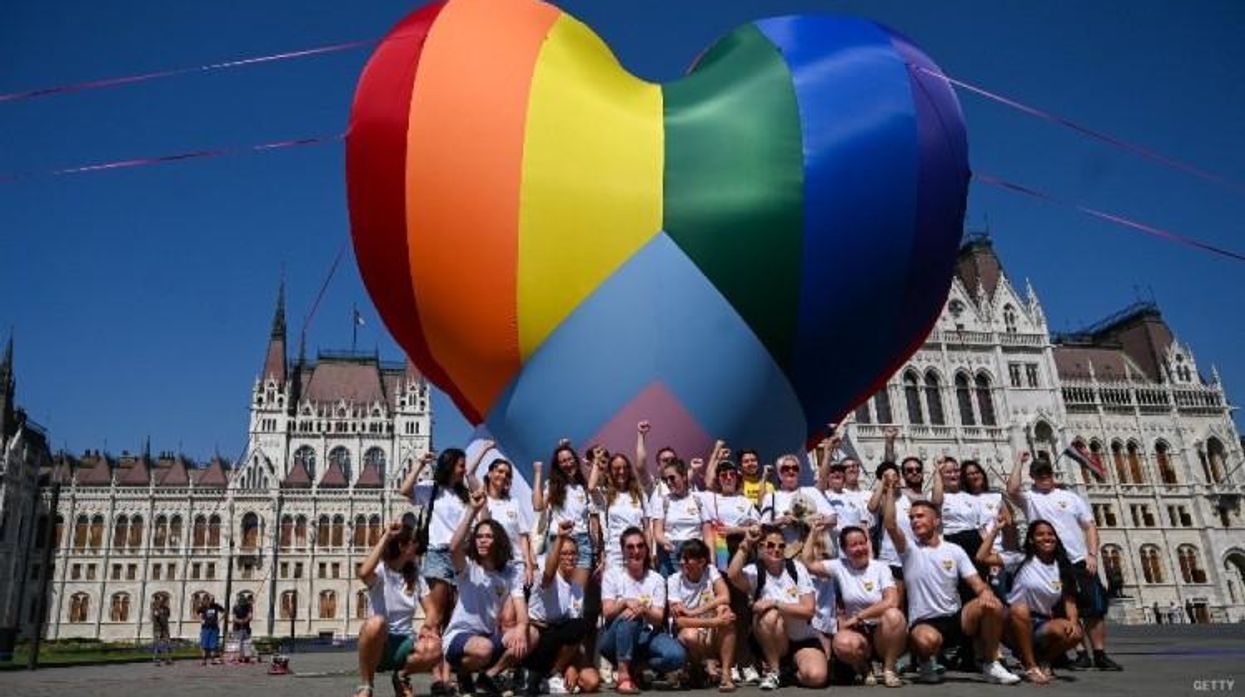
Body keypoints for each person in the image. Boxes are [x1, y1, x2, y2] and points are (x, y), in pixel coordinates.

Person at [881, 476, 1020, 685]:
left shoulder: (954, 550)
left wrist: (985, 594)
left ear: (936, 521)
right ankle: (926, 661)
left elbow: (976, 583)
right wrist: (890, 490)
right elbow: (890, 524)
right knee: (928, 641)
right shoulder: (909, 549)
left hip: (956, 618)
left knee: (993, 605)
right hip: (925, 622)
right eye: (912, 518)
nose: (915, 521)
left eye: (920, 516)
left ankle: (991, 663)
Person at [1006, 452, 1122, 671]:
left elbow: (1089, 527)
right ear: (1032, 476)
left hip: (1079, 560)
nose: (1044, 476)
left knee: (1093, 609)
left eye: (1047, 472)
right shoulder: (1030, 498)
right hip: (1051, 563)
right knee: (1062, 608)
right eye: (1039, 473)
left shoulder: (1071, 497)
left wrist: (1092, 554)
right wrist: (1017, 463)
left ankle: (1099, 654)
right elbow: (1011, 490)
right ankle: (1079, 654)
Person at [443, 490, 531, 697]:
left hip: (487, 637)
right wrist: (473, 511)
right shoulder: (468, 568)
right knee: (484, 649)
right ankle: (463, 673)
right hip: (459, 638)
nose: (482, 540)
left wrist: (521, 629)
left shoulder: (510, 573)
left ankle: (488, 676)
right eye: (479, 537)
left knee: (530, 635)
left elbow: (522, 613)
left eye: (488, 537)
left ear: (498, 541)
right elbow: (454, 547)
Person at [977, 514, 1083, 685]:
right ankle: (1030, 665)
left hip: (1041, 622)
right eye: (1040, 535)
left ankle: (1043, 659)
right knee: (1020, 609)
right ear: (1032, 540)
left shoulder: (1062, 566)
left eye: (1050, 534)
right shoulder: (1020, 558)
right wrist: (995, 530)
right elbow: (982, 557)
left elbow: (1069, 601)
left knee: (1075, 633)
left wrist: (1073, 621)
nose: (1046, 538)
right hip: (1012, 620)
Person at [400, 449, 470, 695]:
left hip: (460, 557)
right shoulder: (431, 488)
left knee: (452, 619)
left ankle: (447, 677)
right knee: (436, 618)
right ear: (451, 465)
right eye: (461, 465)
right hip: (437, 554)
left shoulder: (464, 494)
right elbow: (405, 491)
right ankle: (435, 676)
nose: (464, 469)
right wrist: (419, 464)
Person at [804, 521, 906, 687]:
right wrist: (813, 533)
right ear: (844, 550)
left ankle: (889, 669)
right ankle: (865, 669)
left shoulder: (881, 567)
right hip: (858, 633)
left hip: (882, 630)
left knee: (894, 615)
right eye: (853, 545)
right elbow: (808, 563)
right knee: (842, 643)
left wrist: (859, 616)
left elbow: (891, 600)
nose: (859, 548)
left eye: (862, 543)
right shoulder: (839, 566)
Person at [727, 524, 826, 690]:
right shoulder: (756, 571)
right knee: (770, 616)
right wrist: (746, 544)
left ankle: (787, 673)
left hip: (802, 639)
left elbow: (808, 610)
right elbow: (733, 575)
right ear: (761, 547)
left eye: (781, 546)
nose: (776, 550)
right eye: (770, 545)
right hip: (773, 639)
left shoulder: (796, 568)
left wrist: (776, 603)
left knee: (816, 678)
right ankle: (774, 670)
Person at [356, 522, 440, 697]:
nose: (417, 546)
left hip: (404, 642)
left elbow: (431, 610)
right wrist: (386, 536)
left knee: (436, 647)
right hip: (379, 645)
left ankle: (402, 677)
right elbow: (363, 573)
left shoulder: (415, 575)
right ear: (402, 547)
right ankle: (366, 685)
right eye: (413, 542)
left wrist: (427, 627)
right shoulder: (381, 571)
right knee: (376, 623)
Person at [599, 527, 687, 694]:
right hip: (615, 637)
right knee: (629, 616)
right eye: (630, 547)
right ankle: (623, 676)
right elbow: (607, 612)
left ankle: (638, 667)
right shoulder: (612, 575)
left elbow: (658, 618)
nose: (636, 551)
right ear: (623, 550)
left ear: (646, 550)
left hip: (648, 635)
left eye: (640, 546)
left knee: (677, 656)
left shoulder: (656, 579)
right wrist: (625, 602)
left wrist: (644, 609)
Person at [700, 459, 763, 686]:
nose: (727, 478)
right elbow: (708, 528)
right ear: (718, 478)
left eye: (731, 474)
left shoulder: (744, 501)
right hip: (718, 552)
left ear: (737, 477)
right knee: (725, 609)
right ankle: (732, 663)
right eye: (723, 474)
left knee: (742, 610)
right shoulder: (709, 498)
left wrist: (734, 529)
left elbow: (757, 528)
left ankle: (745, 661)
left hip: (740, 551)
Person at [525, 522, 600, 696]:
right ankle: (546, 675)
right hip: (538, 638)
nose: (569, 557)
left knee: (591, 681)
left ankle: (553, 674)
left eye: (573, 553)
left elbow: (573, 633)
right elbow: (549, 573)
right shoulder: (547, 578)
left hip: (559, 642)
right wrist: (560, 538)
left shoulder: (577, 589)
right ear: (557, 557)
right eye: (564, 554)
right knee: (576, 626)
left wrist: (572, 666)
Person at [668, 539, 738, 692]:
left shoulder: (710, 571)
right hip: (689, 634)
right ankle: (698, 667)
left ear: (701, 562)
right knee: (691, 635)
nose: (682, 562)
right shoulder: (674, 580)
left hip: (708, 631)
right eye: (681, 558)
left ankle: (726, 674)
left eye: (687, 559)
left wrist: (693, 611)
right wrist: (715, 622)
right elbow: (680, 621)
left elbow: (725, 596)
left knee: (726, 611)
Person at [534, 443, 600, 589]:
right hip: (559, 540)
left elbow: (592, 487)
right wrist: (538, 473)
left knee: (577, 594)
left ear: (576, 461)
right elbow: (538, 506)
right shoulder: (552, 485)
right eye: (563, 461)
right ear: (558, 466)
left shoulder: (583, 487)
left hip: (582, 542)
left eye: (570, 459)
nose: (568, 464)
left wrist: (596, 460)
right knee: (555, 590)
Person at [760, 454, 835, 552]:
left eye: (795, 468)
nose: (791, 471)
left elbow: (833, 519)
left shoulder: (812, 491)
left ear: (799, 473)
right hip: (787, 553)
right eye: (785, 468)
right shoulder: (771, 497)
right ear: (779, 474)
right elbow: (763, 526)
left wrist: (809, 522)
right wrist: (781, 521)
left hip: (816, 551)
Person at [590, 452, 651, 569]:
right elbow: (591, 487)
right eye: (617, 468)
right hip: (615, 553)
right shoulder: (605, 494)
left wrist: (649, 552)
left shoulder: (639, 494)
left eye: (625, 467)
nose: (621, 472)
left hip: (637, 550)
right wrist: (596, 461)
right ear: (610, 471)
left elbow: (647, 528)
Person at [653, 458, 711, 577]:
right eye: (665, 479)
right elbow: (657, 532)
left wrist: (711, 561)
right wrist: (667, 543)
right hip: (671, 554)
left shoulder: (699, 499)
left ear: (684, 476)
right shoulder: (662, 501)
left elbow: (708, 534)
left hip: (695, 552)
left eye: (672, 478)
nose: (668, 482)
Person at [197, 593, 226, 665]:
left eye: (212, 599)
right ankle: (204, 660)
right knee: (204, 644)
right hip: (205, 627)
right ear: (205, 600)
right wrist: (200, 620)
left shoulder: (216, 606)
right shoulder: (203, 607)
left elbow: (224, 612)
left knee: (213, 645)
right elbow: (196, 613)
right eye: (209, 599)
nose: (211, 601)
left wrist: (219, 620)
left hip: (214, 627)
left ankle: (212, 660)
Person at [151, 594, 172, 665]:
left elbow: (167, 616)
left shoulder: (166, 609)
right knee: (158, 644)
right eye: (164, 600)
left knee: (166, 644)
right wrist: (158, 612)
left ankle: (167, 659)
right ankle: (156, 659)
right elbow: (155, 617)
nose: (166, 602)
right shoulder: (155, 608)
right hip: (158, 629)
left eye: (166, 600)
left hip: (165, 629)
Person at [232, 594, 254, 663]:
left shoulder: (248, 607)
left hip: (246, 627)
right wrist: (239, 621)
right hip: (237, 627)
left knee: (246, 642)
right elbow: (234, 617)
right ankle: (239, 657)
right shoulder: (235, 607)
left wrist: (245, 620)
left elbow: (250, 616)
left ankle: (246, 657)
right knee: (238, 642)